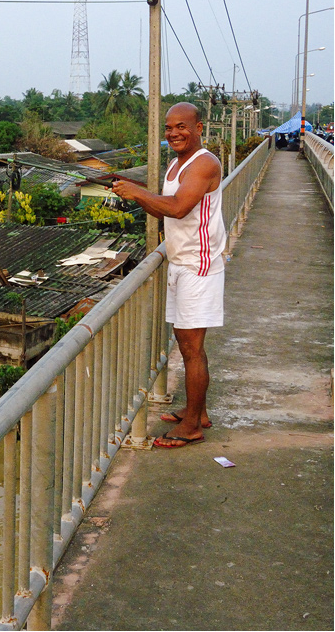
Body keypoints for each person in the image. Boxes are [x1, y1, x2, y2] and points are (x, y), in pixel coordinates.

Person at [111, 102, 225, 448]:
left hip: (198, 265)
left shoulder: (204, 163)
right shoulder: (177, 165)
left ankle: (191, 425)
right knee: (188, 344)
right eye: (169, 127)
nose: (174, 133)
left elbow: (177, 208)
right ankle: (197, 411)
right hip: (180, 262)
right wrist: (134, 192)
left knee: (191, 349)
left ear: (199, 127)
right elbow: (163, 207)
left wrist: (137, 193)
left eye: (182, 126)